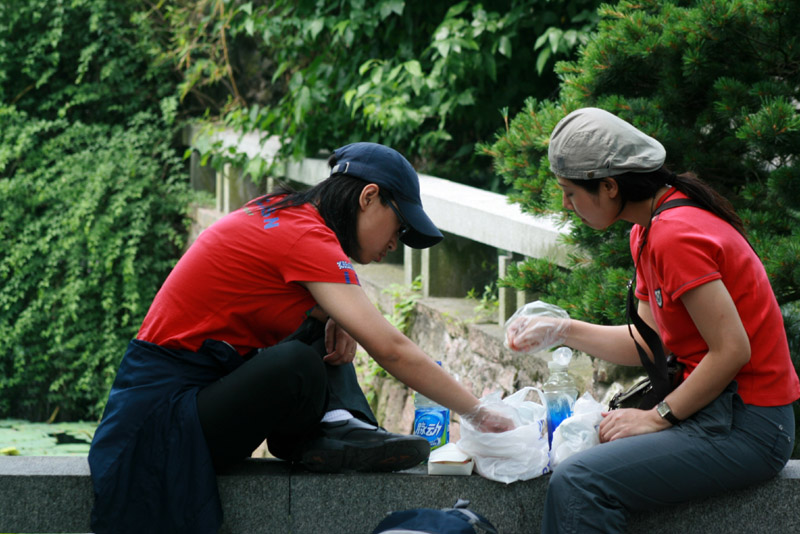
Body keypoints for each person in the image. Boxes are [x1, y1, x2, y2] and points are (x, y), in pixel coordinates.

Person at [88, 142, 512, 534]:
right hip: (162, 419)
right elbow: (391, 350)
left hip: (189, 399)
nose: (393, 246)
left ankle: (339, 429)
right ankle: (335, 430)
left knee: (317, 334)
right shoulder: (304, 236)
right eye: (398, 227)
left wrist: (335, 314)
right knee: (297, 363)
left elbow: (297, 295)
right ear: (368, 197)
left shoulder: (283, 213)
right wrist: (478, 412)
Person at [505, 108, 800, 533]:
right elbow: (648, 343)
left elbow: (733, 350)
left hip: (750, 425)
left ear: (608, 186)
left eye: (570, 193)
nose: (566, 206)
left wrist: (657, 416)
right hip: (718, 412)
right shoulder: (648, 229)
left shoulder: (673, 234)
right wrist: (562, 329)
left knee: (578, 482)